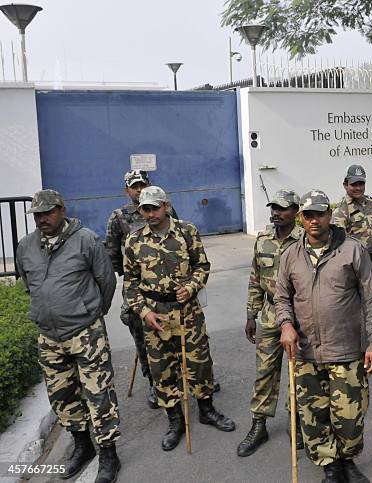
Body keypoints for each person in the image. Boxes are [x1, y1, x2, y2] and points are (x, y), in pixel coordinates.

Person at [275, 189, 372, 483]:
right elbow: (282, 297)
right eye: (308, 215)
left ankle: (347, 460)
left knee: (349, 415)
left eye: (319, 214)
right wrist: (286, 325)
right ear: (301, 218)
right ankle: (329, 465)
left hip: (346, 349)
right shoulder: (291, 255)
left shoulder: (351, 249)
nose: (314, 221)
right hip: (306, 352)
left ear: (329, 215)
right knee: (313, 416)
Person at [16, 189, 120, 483]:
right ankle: (82, 446)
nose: (42, 219)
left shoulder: (85, 239)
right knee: (62, 396)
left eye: (47, 212)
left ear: (62, 210)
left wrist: (91, 312)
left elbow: (106, 280)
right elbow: (28, 282)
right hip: (49, 337)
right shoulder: (26, 246)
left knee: (99, 394)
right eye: (37, 214)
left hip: (85, 333)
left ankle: (109, 454)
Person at [123, 186, 235, 451]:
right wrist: (144, 312)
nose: (149, 214)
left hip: (187, 312)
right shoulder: (134, 240)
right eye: (144, 209)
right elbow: (130, 284)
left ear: (166, 206)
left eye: (154, 208)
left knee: (199, 363)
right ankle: (174, 421)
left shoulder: (187, 232)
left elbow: (202, 266)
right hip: (155, 316)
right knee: (163, 371)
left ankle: (206, 410)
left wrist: (193, 286)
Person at [237, 190, 304, 457]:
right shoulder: (263, 240)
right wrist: (250, 314)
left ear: (296, 212)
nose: (276, 212)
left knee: (298, 372)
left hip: (299, 315)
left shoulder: (304, 241)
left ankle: (295, 422)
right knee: (265, 371)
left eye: (283, 208)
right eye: (273, 207)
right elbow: (255, 278)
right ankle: (259, 424)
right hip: (268, 314)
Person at [105, 169, 177, 408]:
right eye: (134, 186)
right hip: (138, 288)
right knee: (142, 335)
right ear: (127, 190)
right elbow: (112, 253)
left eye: (142, 184)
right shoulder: (119, 217)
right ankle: (154, 382)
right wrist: (130, 275)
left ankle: (185, 377)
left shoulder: (166, 209)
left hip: (169, 286)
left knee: (179, 332)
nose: (138, 189)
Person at [332, 164, 372, 376]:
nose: (358, 188)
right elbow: (339, 245)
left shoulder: (371, 203)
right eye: (354, 184)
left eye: (361, 183)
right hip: (356, 269)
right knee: (357, 313)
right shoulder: (341, 211)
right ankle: (358, 355)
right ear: (345, 184)